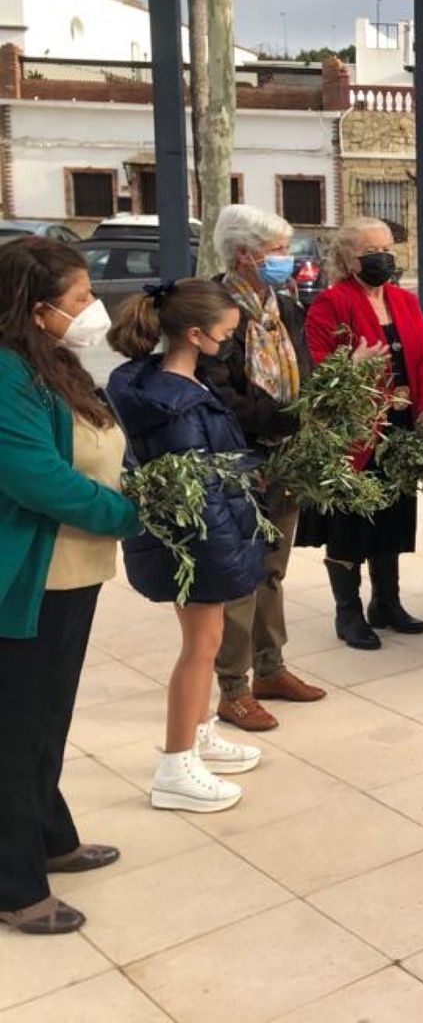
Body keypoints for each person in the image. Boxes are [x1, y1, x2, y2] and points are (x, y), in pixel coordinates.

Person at [0, 239, 143, 935]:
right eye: (82, 296)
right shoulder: (4, 373)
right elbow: (36, 477)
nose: (93, 307)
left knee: (46, 719)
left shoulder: (49, 359)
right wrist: (130, 516)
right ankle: (13, 883)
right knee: (17, 731)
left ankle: (50, 837)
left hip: (73, 571)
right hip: (31, 576)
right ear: (36, 306)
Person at [106, 280, 268, 814]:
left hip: (192, 542)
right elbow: (198, 494)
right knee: (201, 647)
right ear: (196, 335)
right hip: (196, 545)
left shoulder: (164, 383)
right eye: (225, 332)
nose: (229, 340)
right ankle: (176, 764)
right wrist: (227, 560)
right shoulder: (176, 406)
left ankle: (198, 733)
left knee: (207, 639)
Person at [200, 205, 324, 733]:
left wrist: (314, 410)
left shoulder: (283, 305)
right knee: (239, 575)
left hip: (286, 453)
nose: (286, 260)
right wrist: (281, 416)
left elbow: (304, 366)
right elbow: (219, 393)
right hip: (240, 458)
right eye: (276, 251)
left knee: (272, 567)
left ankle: (271, 668)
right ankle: (234, 687)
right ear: (245, 255)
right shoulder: (213, 309)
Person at [299, 217, 423, 651]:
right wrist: (351, 366)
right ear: (347, 259)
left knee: (393, 517)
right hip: (356, 433)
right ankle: (349, 612)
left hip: (401, 427)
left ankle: (387, 602)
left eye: (387, 248)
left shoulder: (405, 300)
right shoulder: (331, 303)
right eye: (371, 251)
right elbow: (317, 367)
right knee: (350, 523)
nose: (383, 257)